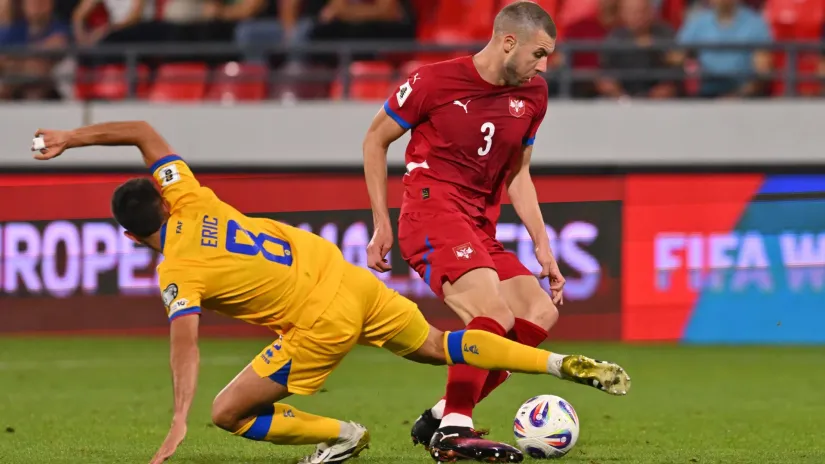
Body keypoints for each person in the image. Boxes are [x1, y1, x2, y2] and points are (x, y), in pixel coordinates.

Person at [31, 121, 631, 464]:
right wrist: (68, 138)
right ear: (165, 201)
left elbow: (184, 344)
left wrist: (179, 418)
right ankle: (558, 363)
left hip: (318, 323)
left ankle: (341, 435)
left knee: (228, 413)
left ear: (132, 238)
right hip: (348, 279)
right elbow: (141, 132)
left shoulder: (176, 272)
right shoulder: (189, 195)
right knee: (444, 346)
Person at [363, 1, 580, 461]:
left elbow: (518, 174)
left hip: (480, 224)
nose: (544, 66)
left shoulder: (534, 95)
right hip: (431, 211)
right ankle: (455, 433)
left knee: (539, 312)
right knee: (491, 312)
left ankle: (443, 414)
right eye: (539, 54)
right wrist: (381, 221)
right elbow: (375, 140)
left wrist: (543, 245)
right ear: (508, 42)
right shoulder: (432, 81)